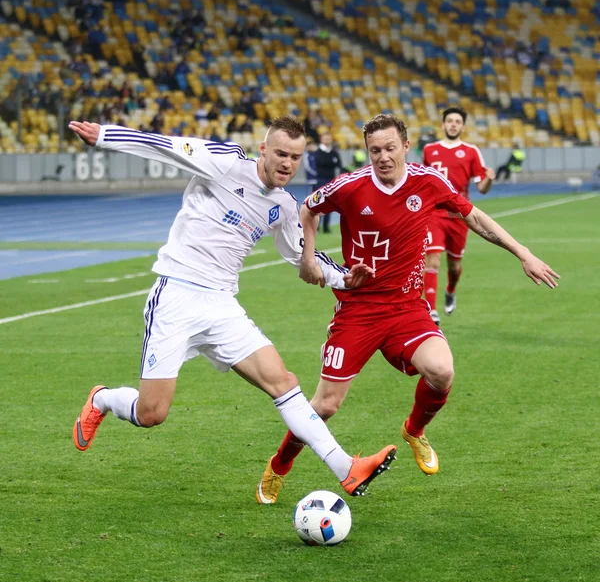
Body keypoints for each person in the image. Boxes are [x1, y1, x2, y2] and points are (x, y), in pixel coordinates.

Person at [68, 116, 396, 499]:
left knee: (284, 382)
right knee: (151, 414)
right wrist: (107, 136)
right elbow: (168, 147)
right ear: (263, 149)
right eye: (280, 154)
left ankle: (346, 468)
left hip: (221, 305)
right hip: (176, 295)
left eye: (295, 156)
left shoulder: (284, 206)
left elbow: (302, 257)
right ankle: (103, 398)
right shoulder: (224, 161)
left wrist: (345, 279)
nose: (287, 164)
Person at [256, 113, 559, 504]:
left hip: (405, 307)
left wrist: (523, 253)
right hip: (359, 309)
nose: (382, 157)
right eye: (374, 150)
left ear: (405, 146)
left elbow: (475, 217)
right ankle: (280, 464)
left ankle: (414, 430)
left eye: (389, 148)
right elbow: (308, 211)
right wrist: (308, 259)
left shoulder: (428, 182)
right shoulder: (349, 187)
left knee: (442, 370)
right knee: (325, 404)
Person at [422, 107, 496, 325]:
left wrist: (489, 178)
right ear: (443, 124)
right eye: (450, 121)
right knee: (432, 260)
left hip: (460, 215)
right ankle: (431, 311)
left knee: (454, 266)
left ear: (462, 126)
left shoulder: (471, 151)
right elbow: (423, 180)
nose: (453, 124)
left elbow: (481, 188)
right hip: (435, 213)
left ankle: (451, 289)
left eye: (457, 121)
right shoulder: (429, 149)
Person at [314, 130, 342, 233]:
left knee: (329, 204)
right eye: (325, 138)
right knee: (318, 203)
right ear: (321, 139)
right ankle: (316, 226)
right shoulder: (318, 152)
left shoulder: (334, 152)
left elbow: (339, 164)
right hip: (320, 181)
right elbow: (322, 162)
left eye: (329, 138)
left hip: (331, 181)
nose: (327, 140)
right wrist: (331, 162)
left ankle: (326, 227)